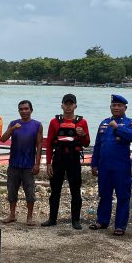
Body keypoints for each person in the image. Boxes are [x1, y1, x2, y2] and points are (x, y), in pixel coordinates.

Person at [90, 94, 132, 235]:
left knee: (123, 196)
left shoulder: (131, 123)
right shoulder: (104, 122)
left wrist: (118, 128)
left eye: (119, 105)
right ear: (110, 107)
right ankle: (102, 221)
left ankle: (120, 226)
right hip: (104, 166)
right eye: (114, 105)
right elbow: (98, 144)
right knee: (104, 194)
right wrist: (94, 164)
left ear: (125, 107)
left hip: (121, 167)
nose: (116, 108)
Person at [42, 93, 90, 229]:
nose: (68, 106)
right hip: (58, 159)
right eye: (66, 103)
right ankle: (52, 219)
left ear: (75, 105)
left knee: (75, 190)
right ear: (62, 105)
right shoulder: (54, 122)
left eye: (71, 104)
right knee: (55, 190)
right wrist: (48, 163)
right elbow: (49, 144)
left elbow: (87, 143)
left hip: (73, 159)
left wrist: (83, 134)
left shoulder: (82, 122)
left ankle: (75, 220)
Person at [0, 100, 42, 225]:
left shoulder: (37, 125)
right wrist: (12, 128)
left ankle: (29, 217)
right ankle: (12, 215)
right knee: (11, 191)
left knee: (30, 192)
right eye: (21, 109)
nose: (24, 111)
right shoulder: (13, 123)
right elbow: (3, 139)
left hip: (28, 165)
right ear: (19, 111)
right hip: (14, 164)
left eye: (26, 109)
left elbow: (39, 145)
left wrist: (37, 163)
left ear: (31, 110)